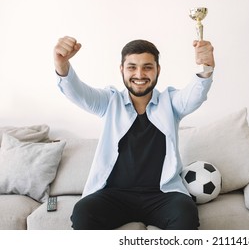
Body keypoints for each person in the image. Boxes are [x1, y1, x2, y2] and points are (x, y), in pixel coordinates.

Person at [53, 36, 215, 230]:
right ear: (121, 69)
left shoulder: (170, 103)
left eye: (147, 67)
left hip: (161, 195)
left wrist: (206, 67)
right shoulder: (109, 102)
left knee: (185, 212)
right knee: (83, 211)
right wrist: (61, 65)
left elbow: (195, 95)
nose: (139, 74)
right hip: (115, 195)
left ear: (158, 70)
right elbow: (77, 92)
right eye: (132, 67)